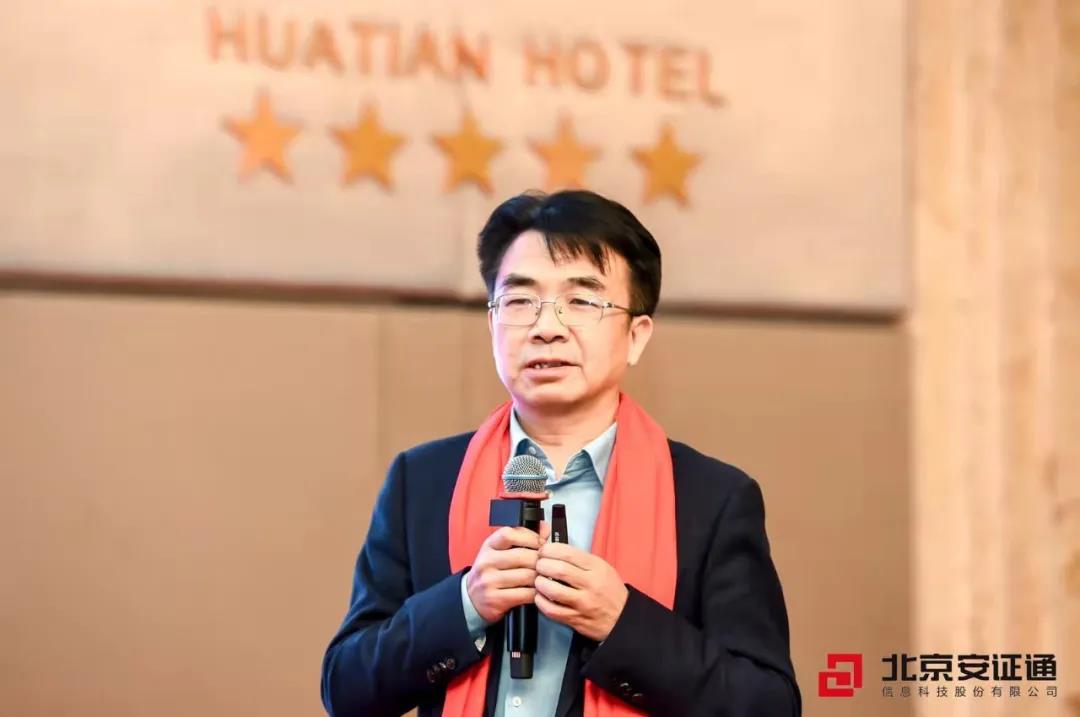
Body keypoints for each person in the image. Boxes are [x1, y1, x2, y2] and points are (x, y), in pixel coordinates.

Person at [320, 190, 801, 716]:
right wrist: (464, 606)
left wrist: (623, 624)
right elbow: (347, 689)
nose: (546, 328)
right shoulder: (424, 481)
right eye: (520, 301)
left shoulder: (711, 500)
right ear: (492, 324)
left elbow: (767, 704)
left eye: (582, 301)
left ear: (636, 335)